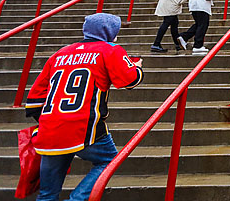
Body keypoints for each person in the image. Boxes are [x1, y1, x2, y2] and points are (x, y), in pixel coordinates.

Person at [24, 13, 143, 201]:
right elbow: (130, 80)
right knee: (109, 160)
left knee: (47, 194)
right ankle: (77, 198)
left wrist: (51, 119)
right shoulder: (110, 50)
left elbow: (33, 101)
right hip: (84, 126)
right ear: (109, 32)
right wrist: (137, 67)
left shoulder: (60, 53)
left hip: (50, 127)